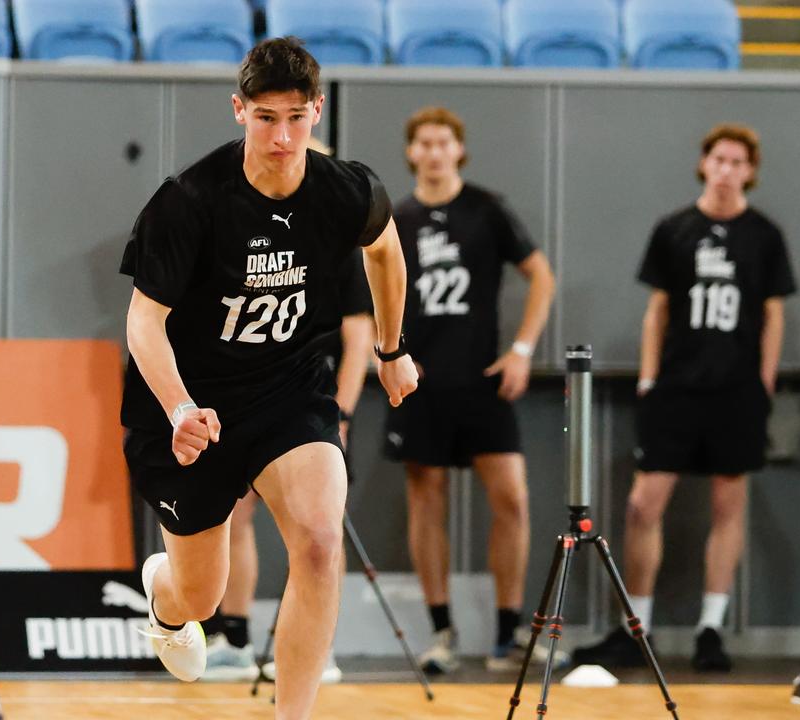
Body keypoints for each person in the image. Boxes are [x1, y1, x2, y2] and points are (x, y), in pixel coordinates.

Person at [120, 37, 417, 719]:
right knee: (200, 595)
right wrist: (178, 409)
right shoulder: (189, 200)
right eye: (265, 119)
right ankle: (165, 601)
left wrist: (392, 347)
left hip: (287, 389)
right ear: (238, 111)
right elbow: (144, 324)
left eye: (295, 117)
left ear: (317, 112)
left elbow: (387, 254)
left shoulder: (346, 188)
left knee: (318, 539)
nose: (282, 137)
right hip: (191, 403)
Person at [573, 123, 795, 673]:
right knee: (642, 505)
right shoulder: (674, 229)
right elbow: (659, 310)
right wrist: (649, 378)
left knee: (728, 504)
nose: (727, 170)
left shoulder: (764, 235)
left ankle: (711, 628)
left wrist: (764, 379)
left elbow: (773, 314)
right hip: (676, 387)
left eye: (738, 162)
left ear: (750, 170)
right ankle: (636, 627)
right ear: (704, 164)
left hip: (737, 389)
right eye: (719, 159)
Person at [385, 106, 557, 673]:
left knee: (511, 497)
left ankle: (508, 635)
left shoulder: (487, 209)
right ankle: (441, 632)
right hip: (420, 382)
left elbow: (542, 276)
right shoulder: (397, 219)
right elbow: (373, 295)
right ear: (412, 152)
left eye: (444, 143)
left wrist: (523, 350)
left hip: (485, 379)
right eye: (424, 143)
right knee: (424, 497)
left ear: (459, 150)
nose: (434, 152)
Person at [201, 139, 377, 684]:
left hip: (307, 397)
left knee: (318, 527)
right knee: (233, 512)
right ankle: (232, 635)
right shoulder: (228, 223)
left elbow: (359, 332)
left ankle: (314, 649)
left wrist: (343, 414)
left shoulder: (339, 237)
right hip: (235, 390)